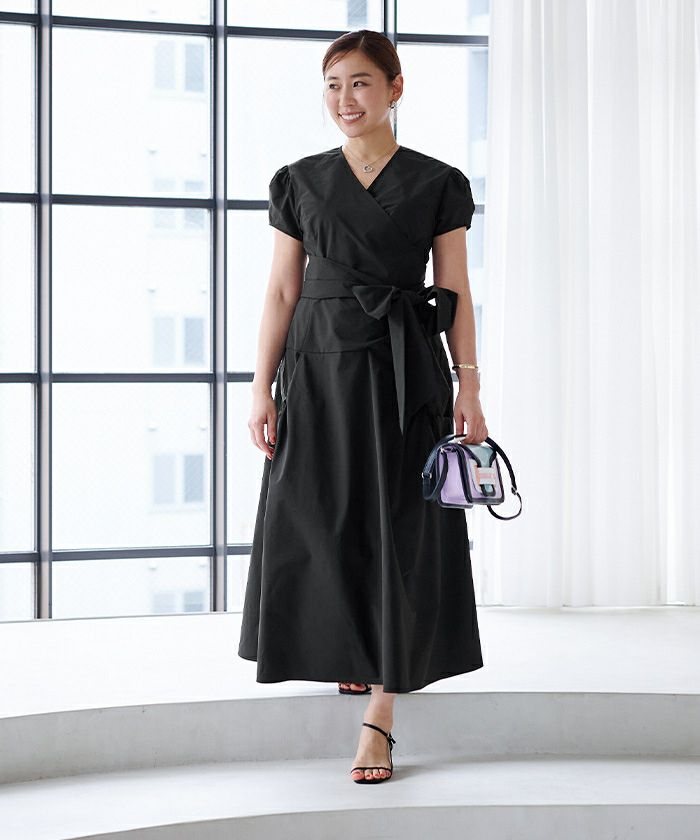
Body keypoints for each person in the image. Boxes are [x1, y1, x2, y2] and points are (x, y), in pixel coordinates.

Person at [238, 29, 487, 784]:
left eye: (360, 83)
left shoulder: (438, 181)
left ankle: (381, 712)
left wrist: (469, 386)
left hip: (403, 369)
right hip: (316, 368)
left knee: (401, 525)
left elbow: (456, 290)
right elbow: (282, 289)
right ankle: (347, 644)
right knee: (319, 513)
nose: (345, 99)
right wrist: (260, 385)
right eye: (333, 85)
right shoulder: (298, 180)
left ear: (395, 89)